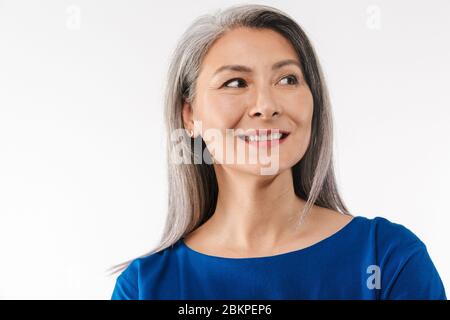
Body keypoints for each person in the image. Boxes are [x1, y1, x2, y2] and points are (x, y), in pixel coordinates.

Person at [110, 4, 446, 300]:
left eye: (287, 80)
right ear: (191, 117)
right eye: (236, 83)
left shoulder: (389, 258)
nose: (266, 106)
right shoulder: (144, 287)